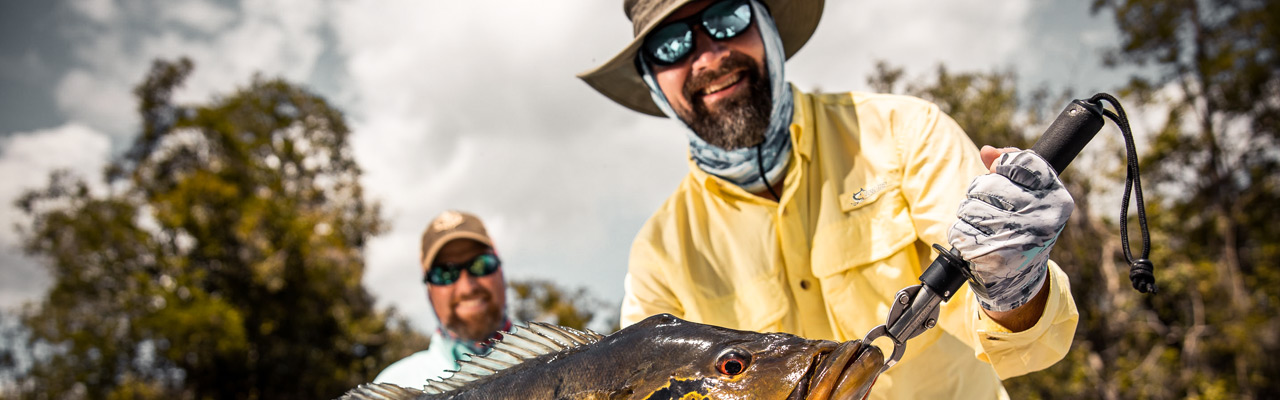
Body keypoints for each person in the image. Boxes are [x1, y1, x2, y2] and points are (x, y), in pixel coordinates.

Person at [577, 0, 1079, 398]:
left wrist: (1013, 287)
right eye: (670, 44)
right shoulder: (659, 254)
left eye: (727, 17)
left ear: (768, 28)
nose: (708, 56)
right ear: (652, 80)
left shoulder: (906, 134)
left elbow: (1031, 348)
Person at [373, 210, 513, 388]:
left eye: (481, 264)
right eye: (445, 273)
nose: (467, 288)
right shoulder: (394, 386)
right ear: (429, 290)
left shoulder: (557, 360)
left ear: (500, 270)